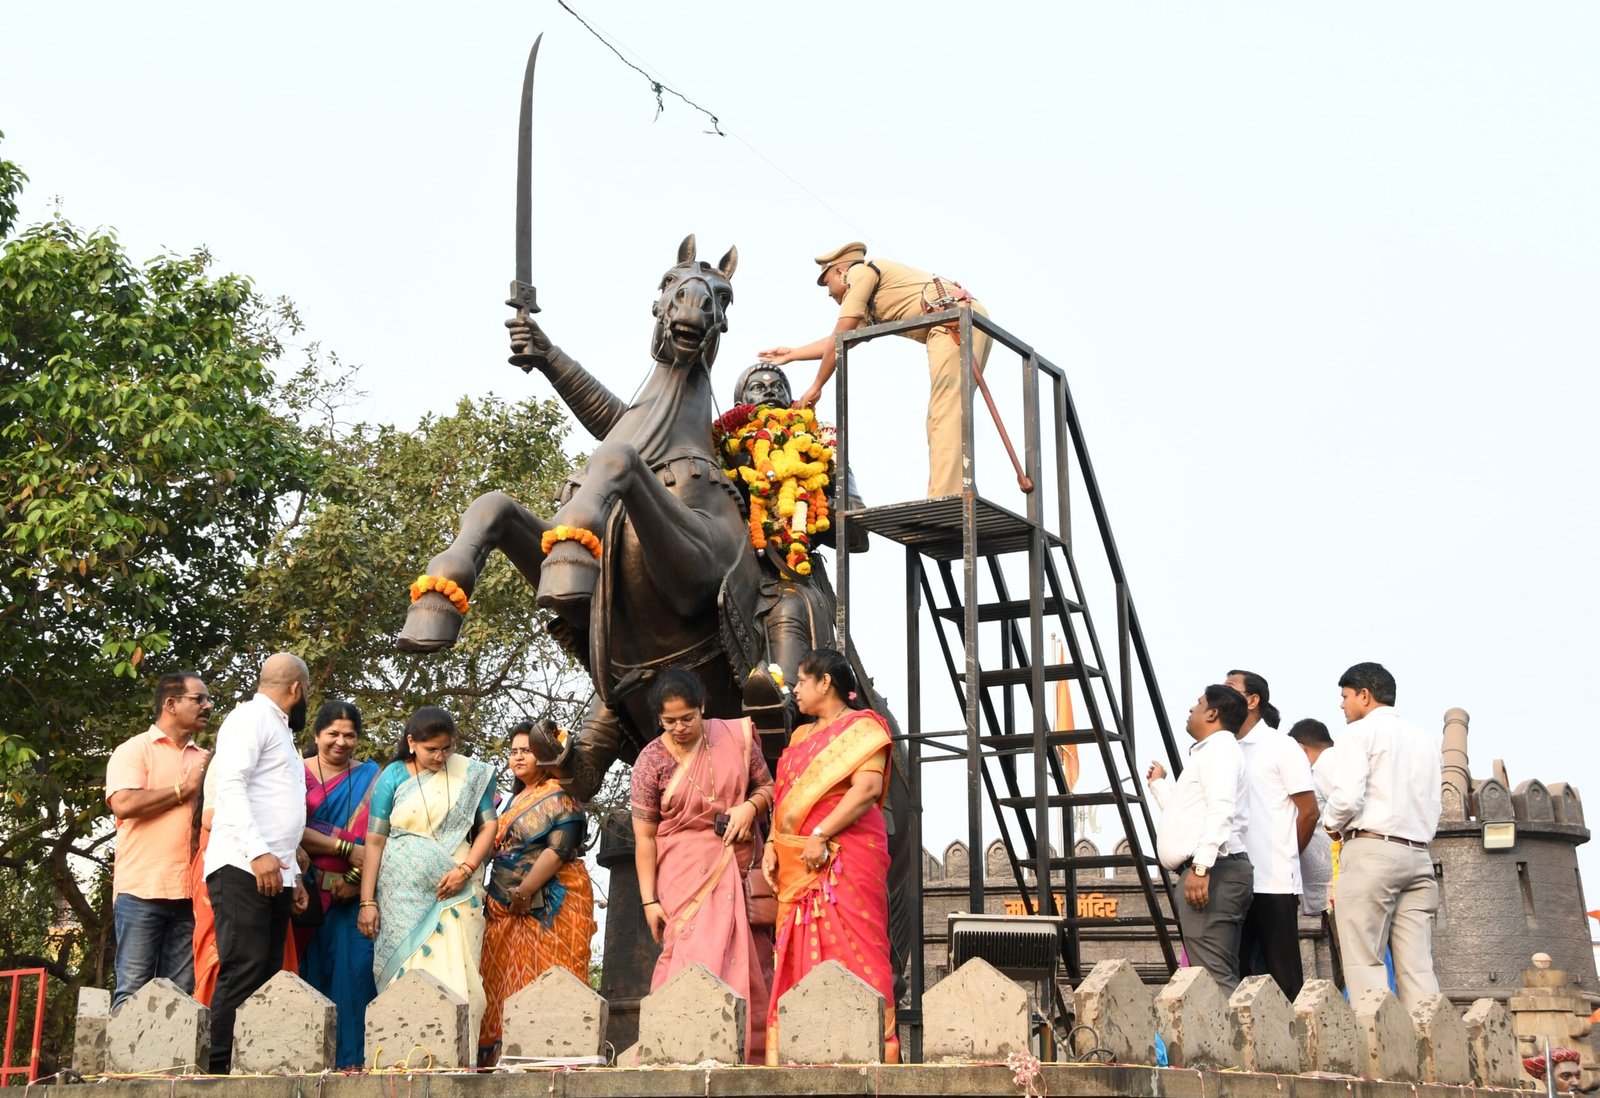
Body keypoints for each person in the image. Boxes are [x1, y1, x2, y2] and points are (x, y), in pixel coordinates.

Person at [758, 243, 992, 499]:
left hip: (953, 323)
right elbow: (839, 343)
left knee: (945, 411)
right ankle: (961, 491)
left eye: (827, 283)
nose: (828, 294)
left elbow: (842, 333)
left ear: (840, 272)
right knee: (945, 413)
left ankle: (947, 498)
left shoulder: (860, 272)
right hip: (960, 320)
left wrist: (817, 385)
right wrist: (793, 354)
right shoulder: (872, 295)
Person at [761, 648, 897, 1063]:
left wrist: (821, 833)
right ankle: (798, 1053)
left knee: (857, 946)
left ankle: (874, 1050)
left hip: (844, 857)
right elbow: (783, 798)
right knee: (795, 951)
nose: (796, 689)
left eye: (802, 680)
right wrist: (770, 844)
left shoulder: (864, 729)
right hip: (794, 863)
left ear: (826, 682)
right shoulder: (800, 737)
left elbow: (866, 791)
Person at [631, 669, 773, 1063]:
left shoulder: (733, 737)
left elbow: (767, 787)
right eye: (669, 721)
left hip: (736, 860)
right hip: (680, 872)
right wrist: (648, 901)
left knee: (748, 956)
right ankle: (675, 1053)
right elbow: (644, 838)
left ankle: (749, 1054)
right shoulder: (650, 761)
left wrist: (749, 807)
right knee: (687, 954)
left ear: (702, 709)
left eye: (687, 718)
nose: (679, 728)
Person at [358, 706, 498, 1048]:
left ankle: (456, 1058)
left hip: (457, 890)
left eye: (447, 748)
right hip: (399, 893)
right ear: (411, 743)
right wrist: (367, 901)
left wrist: (465, 871)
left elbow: (489, 825)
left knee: (460, 981)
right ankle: (399, 1055)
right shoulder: (391, 776)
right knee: (403, 975)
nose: (440, 756)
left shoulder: (471, 774)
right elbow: (375, 841)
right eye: (431, 749)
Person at [203, 653, 312, 1073]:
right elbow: (230, 786)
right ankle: (217, 1071)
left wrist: (294, 874)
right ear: (296, 689)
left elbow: (278, 808)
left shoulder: (280, 730)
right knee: (244, 966)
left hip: (276, 869)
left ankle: (251, 1068)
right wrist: (258, 853)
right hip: (241, 864)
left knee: (268, 972)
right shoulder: (250, 718)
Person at [1319, 661, 1442, 1011]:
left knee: (1364, 961)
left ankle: (1379, 1053)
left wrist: (1331, 824)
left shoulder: (1358, 734)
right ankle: (1430, 1045)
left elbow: (1347, 797)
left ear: (1365, 695)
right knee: (1418, 968)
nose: (1342, 705)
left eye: (1345, 697)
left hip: (1372, 850)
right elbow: (1434, 802)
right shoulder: (1426, 740)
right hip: (1419, 855)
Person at [478, 719, 596, 1063]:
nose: (518, 757)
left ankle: (552, 1060)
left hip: (552, 905)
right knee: (501, 986)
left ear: (544, 756)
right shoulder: (511, 801)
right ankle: (504, 1062)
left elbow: (558, 849)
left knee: (549, 981)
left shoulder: (561, 794)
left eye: (526, 751)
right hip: (504, 910)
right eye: (513, 751)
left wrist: (525, 892)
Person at [104, 672, 211, 1008]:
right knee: (132, 990)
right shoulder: (134, 750)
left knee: (178, 996)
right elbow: (124, 803)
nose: (207, 706)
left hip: (191, 892)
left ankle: (169, 1064)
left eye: (209, 700)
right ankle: (123, 1064)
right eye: (199, 699)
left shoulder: (207, 759)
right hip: (141, 889)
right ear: (171, 704)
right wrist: (185, 789)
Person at [1147, 685, 1253, 993]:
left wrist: (1201, 868)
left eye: (1198, 703)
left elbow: (1222, 810)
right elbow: (1187, 816)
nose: (1191, 709)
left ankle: (1233, 1042)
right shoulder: (1210, 753)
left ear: (1212, 713)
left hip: (1214, 870)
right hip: (1210, 869)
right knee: (1209, 975)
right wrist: (1159, 786)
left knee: (1214, 979)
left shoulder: (1220, 750)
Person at [1225, 670, 1317, 1001]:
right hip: (1233, 879)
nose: (1222, 695)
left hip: (1273, 880)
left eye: (1230, 689)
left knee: (1284, 978)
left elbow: (1308, 811)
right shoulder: (1224, 749)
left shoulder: (1281, 746)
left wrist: (1287, 854)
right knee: (1238, 977)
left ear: (1253, 700)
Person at [299, 701, 380, 1070]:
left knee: (357, 973)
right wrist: (347, 849)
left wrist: (353, 877)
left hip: (355, 894)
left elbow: (381, 834)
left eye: (350, 735)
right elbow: (289, 828)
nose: (341, 742)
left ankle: (355, 1062)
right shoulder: (294, 773)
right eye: (333, 733)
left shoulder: (372, 777)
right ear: (316, 735)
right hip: (306, 894)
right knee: (305, 971)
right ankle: (310, 1062)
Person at [1287, 718, 1337, 917]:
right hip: (1331, 882)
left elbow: (1348, 807)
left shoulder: (1328, 762)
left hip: (1337, 879)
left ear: (1300, 749)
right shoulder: (1324, 766)